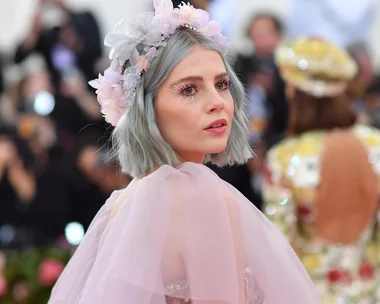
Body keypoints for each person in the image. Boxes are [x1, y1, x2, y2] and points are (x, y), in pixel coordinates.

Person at [48, 1, 321, 303]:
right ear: (146, 108)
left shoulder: (125, 202)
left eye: (222, 84)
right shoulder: (204, 199)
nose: (217, 102)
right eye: (189, 90)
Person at [263, 37, 380, 302]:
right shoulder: (375, 145)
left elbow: (278, 243)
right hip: (369, 290)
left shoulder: (284, 157)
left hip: (310, 293)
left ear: (294, 93)